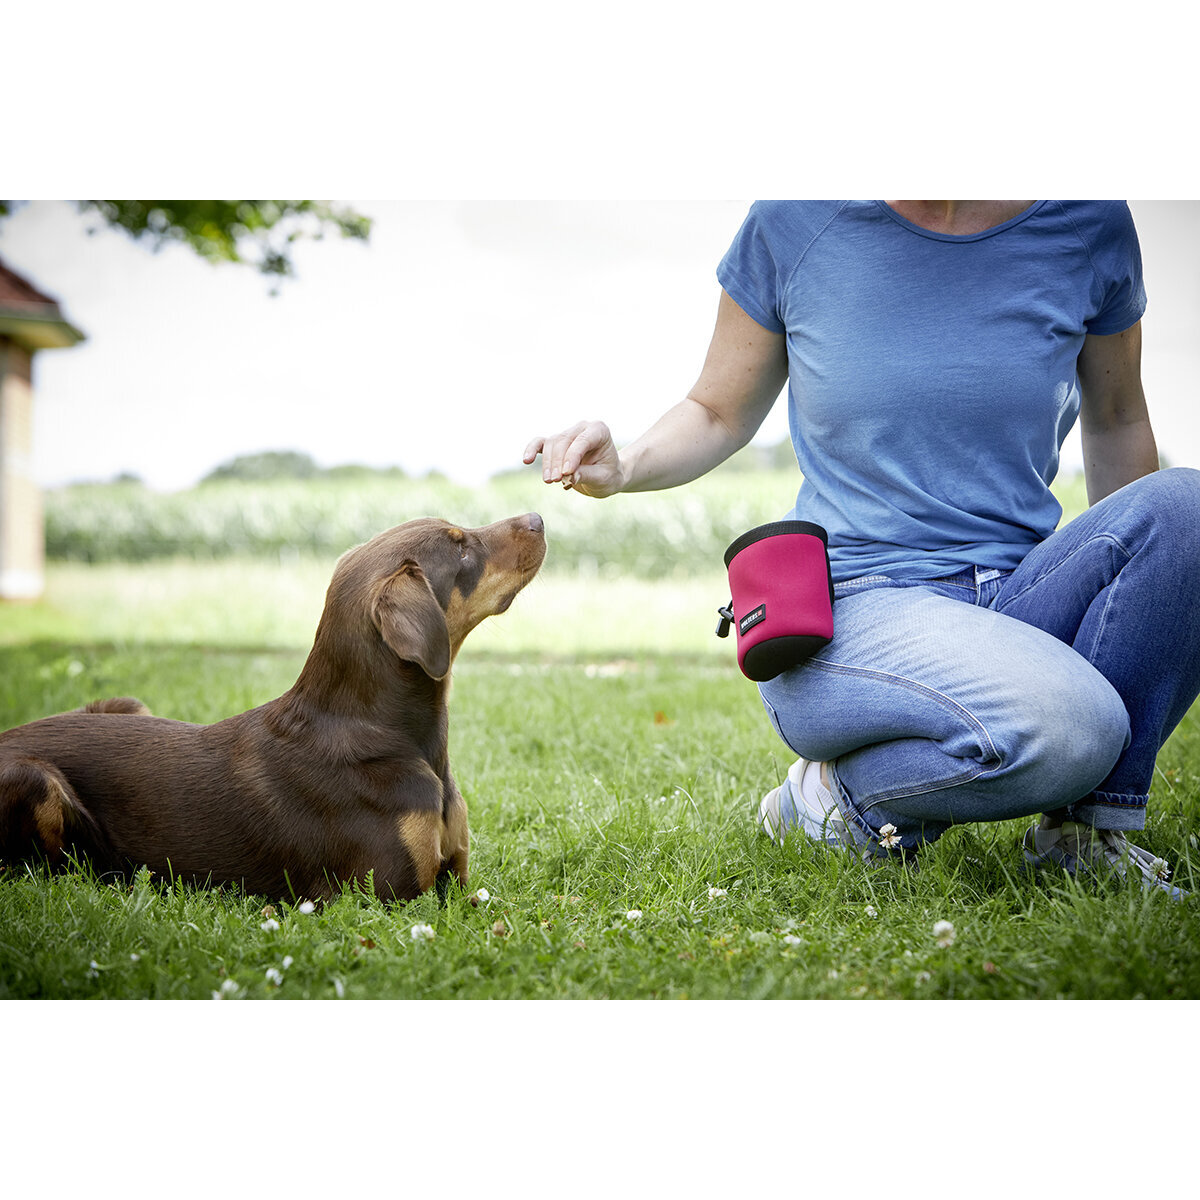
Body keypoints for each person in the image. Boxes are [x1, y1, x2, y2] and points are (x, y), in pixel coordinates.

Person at [523, 201, 1200, 896]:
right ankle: (836, 800)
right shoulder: (796, 221)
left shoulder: (1086, 223)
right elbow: (717, 410)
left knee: (1187, 508)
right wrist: (626, 467)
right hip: (853, 608)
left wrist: (1148, 603)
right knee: (1077, 729)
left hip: (1020, 595)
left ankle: (1081, 835)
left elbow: (1119, 418)